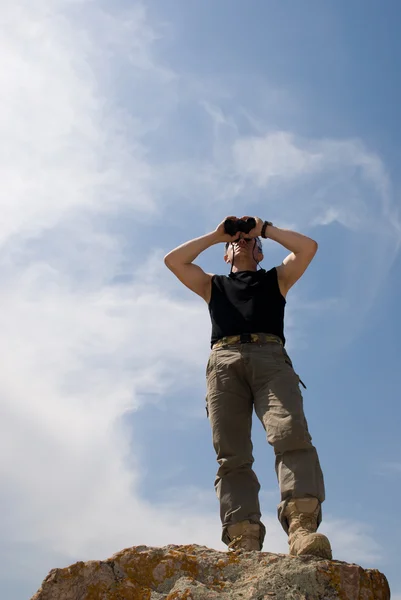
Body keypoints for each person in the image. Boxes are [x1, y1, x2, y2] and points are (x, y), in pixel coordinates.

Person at [164, 215, 332, 559]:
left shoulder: (277, 280)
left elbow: (307, 248)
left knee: (291, 434)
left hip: (270, 356)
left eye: (250, 242)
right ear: (225, 255)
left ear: (260, 253)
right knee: (232, 455)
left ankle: (301, 525)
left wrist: (264, 229)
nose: (241, 242)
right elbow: (174, 261)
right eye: (234, 243)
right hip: (224, 361)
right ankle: (243, 537)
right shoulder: (213, 285)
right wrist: (217, 235)